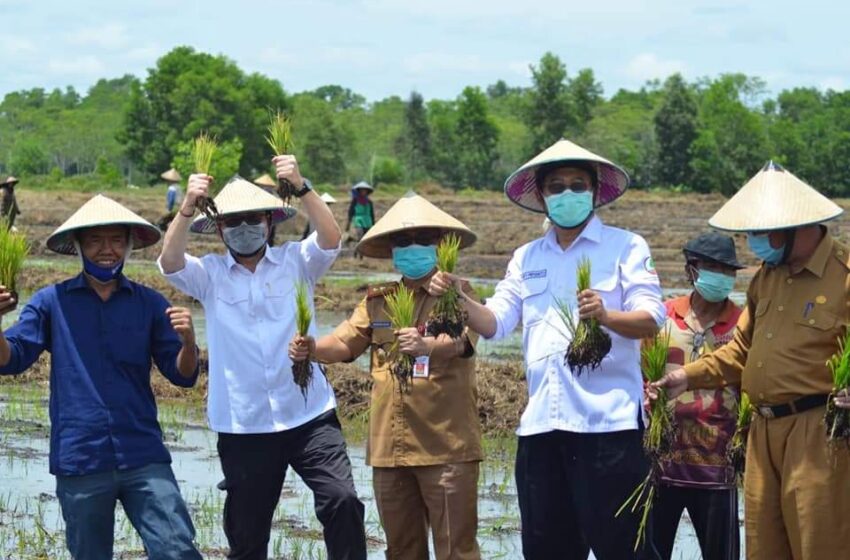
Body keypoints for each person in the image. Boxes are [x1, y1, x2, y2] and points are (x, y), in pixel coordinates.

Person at [430, 139, 665, 559]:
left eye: (578, 184)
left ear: (595, 191)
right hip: (541, 429)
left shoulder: (627, 246)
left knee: (623, 548)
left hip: (607, 428)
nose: (567, 193)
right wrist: (458, 300)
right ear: (541, 196)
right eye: (556, 186)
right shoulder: (525, 258)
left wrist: (606, 315)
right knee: (545, 549)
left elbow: (651, 317)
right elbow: (497, 322)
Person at [158, 155, 367, 560]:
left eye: (253, 218)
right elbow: (170, 263)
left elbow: (330, 238)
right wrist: (187, 207)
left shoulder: (295, 262)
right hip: (244, 423)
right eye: (232, 221)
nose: (243, 228)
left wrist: (302, 186)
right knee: (247, 532)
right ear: (219, 228)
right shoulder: (211, 275)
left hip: (308, 414)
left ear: (270, 221)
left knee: (341, 499)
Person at [652, 161, 850, 560]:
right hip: (762, 433)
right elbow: (740, 351)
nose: (753, 242)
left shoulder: (843, 276)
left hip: (816, 434)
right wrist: (685, 377)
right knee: (763, 548)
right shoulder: (766, 277)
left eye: (760, 232)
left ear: (796, 226)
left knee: (820, 545)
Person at [0, 194, 202, 560]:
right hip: (81, 456)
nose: (105, 249)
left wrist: (189, 341)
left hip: (142, 452)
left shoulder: (150, 303)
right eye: (94, 240)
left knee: (176, 549)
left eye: (114, 240)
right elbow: (11, 359)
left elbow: (182, 375)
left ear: (128, 245)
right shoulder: (51, 302)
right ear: (77, 246)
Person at [290, 192, 482, 560]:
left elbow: (462, 342)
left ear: (440, 246)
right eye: (403, 242)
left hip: (446, 449)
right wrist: (311, 348)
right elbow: (344, 344)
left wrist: (427, 345)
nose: (412, 249)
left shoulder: (459, 294)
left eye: (422, 241)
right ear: (392, 251)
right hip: (390, 452)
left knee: (456, 550)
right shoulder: (378, 300)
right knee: (402, 550)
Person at [651, 232, 744, 560]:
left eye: (727, 270)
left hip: (717, 464)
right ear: (692, 270)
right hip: (662, 462)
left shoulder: (743, 323)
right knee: (649, 552)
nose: (721, 275)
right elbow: (639, 373)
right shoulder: (661, 317)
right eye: (712, 267)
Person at [254, 173, 280, 245]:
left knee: (268, 235)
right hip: (266, 216)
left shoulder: (267, 193)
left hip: (268, 216)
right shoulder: (271, 193)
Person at [346, 181, 375, 247]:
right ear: (359, 191)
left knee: (366, 237)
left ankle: (360, 250)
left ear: (367, 192)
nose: (363, 192)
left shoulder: (369, 202)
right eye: (362, 190)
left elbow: (372, 213)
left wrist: (373, 224)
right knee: (360, 234)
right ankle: (359, 252)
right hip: (358, 219)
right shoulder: (355, 201)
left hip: (368, 220)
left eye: (365, 190)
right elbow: (351, 211)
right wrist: (349, 222)